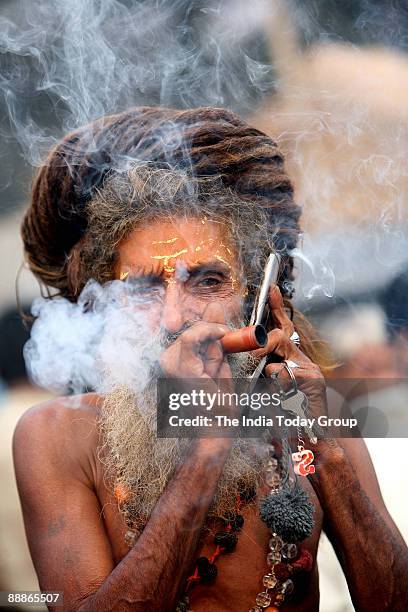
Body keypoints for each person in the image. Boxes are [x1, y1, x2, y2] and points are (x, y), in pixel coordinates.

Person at [13, 107, 408, 611]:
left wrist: (326, 451)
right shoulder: (59, 435)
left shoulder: (308, 411)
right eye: (143, 288)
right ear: (105, 301)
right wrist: (206, 446)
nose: (177, 317)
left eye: (207, 280)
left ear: (258, 299)